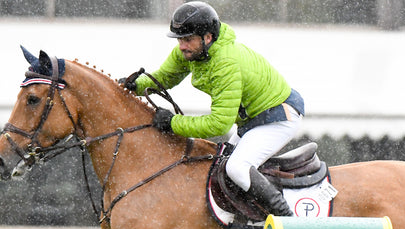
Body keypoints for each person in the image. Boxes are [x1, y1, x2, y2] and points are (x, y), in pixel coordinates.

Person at [120, 1, 304, 217]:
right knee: (219, 167)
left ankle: (287, 220)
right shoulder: (193, 50)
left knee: (236, 168)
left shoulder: (225, 63)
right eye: (180, 39)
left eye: (187, 40)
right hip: (253, 120)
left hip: (279, 117)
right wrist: (136, 85)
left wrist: (172, 123)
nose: (182, 46)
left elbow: (219, 124)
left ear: (207, 37)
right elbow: (165, 77)